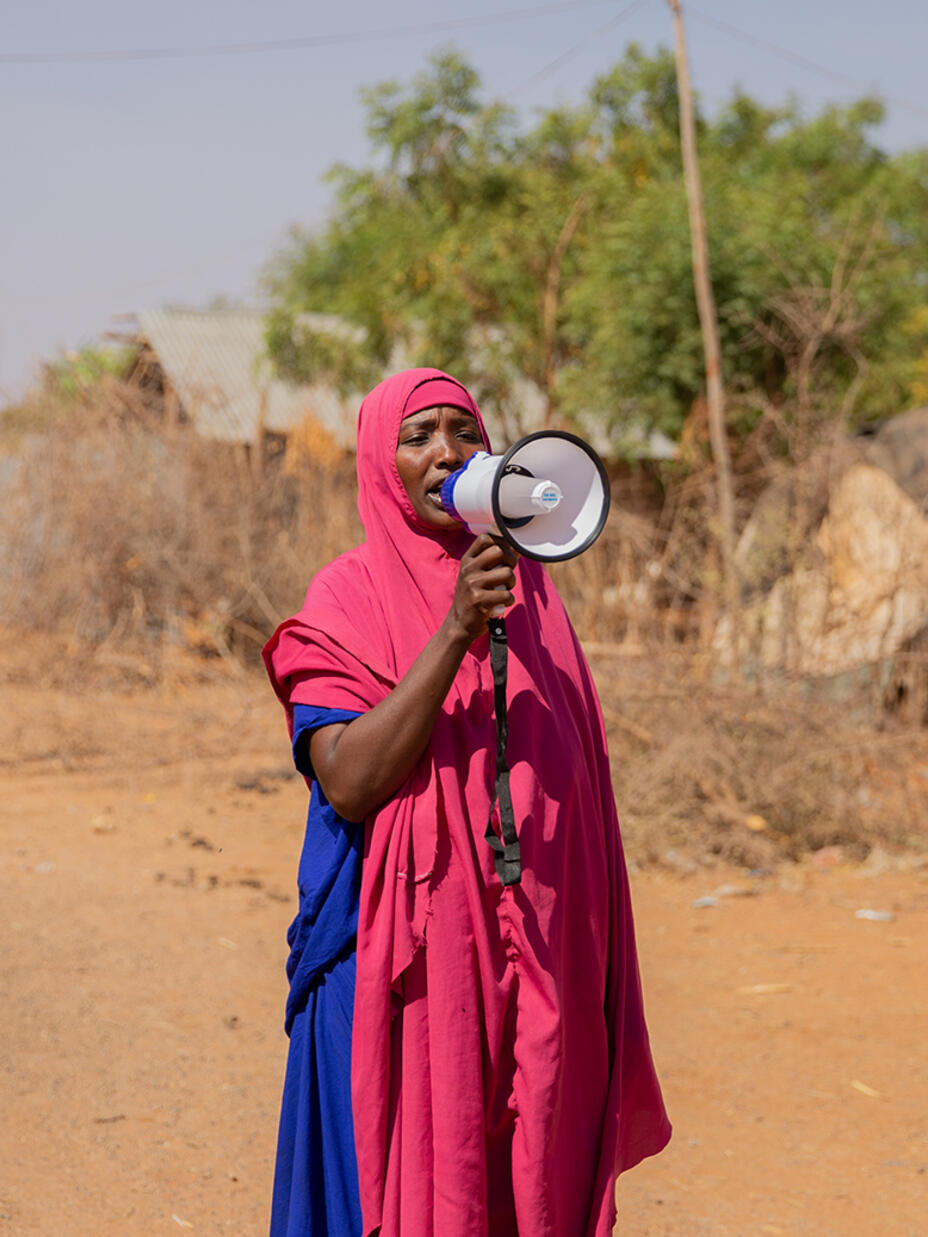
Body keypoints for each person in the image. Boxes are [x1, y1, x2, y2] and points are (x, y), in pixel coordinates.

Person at [263, 368, 670, 1237]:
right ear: (381, 462)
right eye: (419, 435)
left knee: (524, 1186)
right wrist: (453, 631)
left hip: (535, 962)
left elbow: (575, 797)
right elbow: (350, 778)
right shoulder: (347, 595)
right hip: (401, 968)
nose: (447, 451)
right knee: (399, 1186)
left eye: (464, 430)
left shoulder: (536, 596)